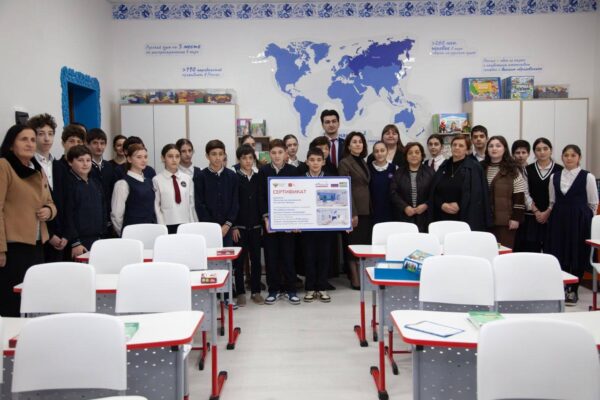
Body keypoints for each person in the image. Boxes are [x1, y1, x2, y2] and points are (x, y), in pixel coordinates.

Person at [0, 125, 56, 316]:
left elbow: (50, 202)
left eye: (32, 139)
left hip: (37, 243)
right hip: (12, 246)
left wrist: (49, 211)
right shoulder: (4, 166)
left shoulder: (37, 169)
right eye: (24, 139)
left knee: (33, 298)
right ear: (11, 144)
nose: (30, 143)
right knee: (12, 301)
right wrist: (0, 249)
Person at [545, 144, 597, 305]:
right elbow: (552, 200)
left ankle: (574, 290)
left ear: (579, 157)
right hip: (559, 218)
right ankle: (562, 287)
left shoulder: (587, 177)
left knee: (577, 251)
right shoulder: (554, 176)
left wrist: (585, 220)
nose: (569, 158)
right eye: (566, 155)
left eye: (573, 155)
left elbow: (593, 203)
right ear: (562, 157)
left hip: (579, 219)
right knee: (560, 251)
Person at [258, 139, 298, 304]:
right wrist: (266, 217)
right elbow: (261, 196)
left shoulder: (293, 171)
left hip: (289, 222)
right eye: (273, 153)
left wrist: (297, 220)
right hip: (270, 222)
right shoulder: (263, 171)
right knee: (271, 256)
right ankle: (273, 289)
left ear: (286, 153)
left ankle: (291, 290)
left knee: (288, 256)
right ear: (269, 154)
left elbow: (298, 196)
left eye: (280, 152)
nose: (277, 156)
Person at [430, 134, 491, 231]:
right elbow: (434, 191)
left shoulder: (474, 167)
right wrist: (441, 204)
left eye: (461, 145)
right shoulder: (444, 166)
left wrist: (460, 205)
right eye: (454, 145)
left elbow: (477, 195)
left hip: (465, 218)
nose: (457, 147)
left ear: (467, 150)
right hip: (442, 217)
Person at [28, 114, 68, 261]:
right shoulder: (28, 166)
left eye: (50, 134)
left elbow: (67, 203)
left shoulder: (60, 167)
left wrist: (66, 234)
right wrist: (50, 235)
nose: (47, 138)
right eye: (41, 134)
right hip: (38, 236)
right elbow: (31, 205)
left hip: (62, 236)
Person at [516, 138, 563, 253]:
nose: (542, 152)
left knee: (551, 251)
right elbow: (525, 192)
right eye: (538, 149)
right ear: (534, 152)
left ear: (551, 150)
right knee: (531, 251)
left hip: (552, 216)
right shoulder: (528, 169)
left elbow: (560, 194)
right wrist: (536, 211)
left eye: (545, 149)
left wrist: (548, 211)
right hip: (532, 216)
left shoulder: (560, 170)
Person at [232, 145, 264, 306]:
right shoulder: (234, 178)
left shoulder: (258, 178)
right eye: (244, 158)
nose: (248, 161)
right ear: (239, 160)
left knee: (256, 261)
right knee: (239, 262)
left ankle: (256, 291)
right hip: (240, 227)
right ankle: (240, 292)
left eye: (250, 158)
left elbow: (262, 201)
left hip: (256, 226)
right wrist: (234, 226)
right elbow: (232, 203)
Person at [338, 131, 371, 289]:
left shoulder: (363, 161)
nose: (358, 144)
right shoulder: (345, 163)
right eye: (354, 142)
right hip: (354, 210)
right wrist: (352, 212)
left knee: (362, 244)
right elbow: (345, 189)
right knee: (353, 244)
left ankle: (362, 277)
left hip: (367, 208)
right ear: (348, 146)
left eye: (360, 142)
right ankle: (355, 279)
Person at [481, 136, 526, 248]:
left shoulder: (513, 169)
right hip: (484, 219)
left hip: (505, 221)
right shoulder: (480, 167)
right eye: (491, 146)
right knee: (486, 251)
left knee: (503, 252)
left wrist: (516, 218)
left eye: (498, 146)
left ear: (504, 149)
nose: (494, 148)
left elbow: (520, 196)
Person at [63, 145, 107, 259]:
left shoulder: (95, 183)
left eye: (88, 160)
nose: (85, 164)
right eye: (80, 160)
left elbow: (103, 209)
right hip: (78, 242)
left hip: (97, 239)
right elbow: (67, 215)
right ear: (70, 162)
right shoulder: (68, 184)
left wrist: (103, 233)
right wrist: (75, 242)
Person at [301, 148, 333, 303]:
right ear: (307, 162)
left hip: (325, 225)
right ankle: (310, 288)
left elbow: (338, 202)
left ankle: (322, 287)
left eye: (318, 160)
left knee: (324, 256)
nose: (315, 163)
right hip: (307, 226)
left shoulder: (330, 179)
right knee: (309, 256)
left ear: (323, 162)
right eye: (312, 160)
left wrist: (344, 220)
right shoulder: (300, 180)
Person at [195, 140, 239, 246]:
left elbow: (235, 202)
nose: (218, 157)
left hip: (227, 228)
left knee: (227, 255)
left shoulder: (232, 176)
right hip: (208, 228)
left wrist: (227, 225)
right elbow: (199, 203)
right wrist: (212, 226)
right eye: (214, 154)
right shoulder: (200, 176)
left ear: (224, 155)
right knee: (209, 254)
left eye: (221, 154)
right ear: (207, 156)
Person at [111, 143, 156, 236]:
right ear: (129, 159)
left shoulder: (149, 181)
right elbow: (116, 215)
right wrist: (124, 233)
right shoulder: (123, 184)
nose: (143, 160)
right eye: (139, 157)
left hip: (150, 230)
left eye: (145, 157)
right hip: (132, 232)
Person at [390, 142, 434, 232]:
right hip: (404, 217)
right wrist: (405, 207)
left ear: (422, 155)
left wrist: (426, 205)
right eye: (410, 153)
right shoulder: (399, 172)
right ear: (406, 156)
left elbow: (435, 192)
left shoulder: (430, 172)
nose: (414, 155)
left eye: (417, 152)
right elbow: (393, 192)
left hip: (425, 217)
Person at [153, 144, 197, 234]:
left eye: (177, 156)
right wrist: (162, 227)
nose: (174, 160)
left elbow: (191, 204)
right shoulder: (157, 180)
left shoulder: (187, 178)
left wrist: (193, 224)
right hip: (167, 224)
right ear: (163, 158)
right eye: (170, 156)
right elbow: (156, 206)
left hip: (185, 223)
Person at [86, 128, 116, 215]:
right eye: (95, 143)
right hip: (91, 213)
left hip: (108, 213)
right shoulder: (84, 167)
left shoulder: (109, 166)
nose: (99, 147)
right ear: (87, 144)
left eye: (102, 143)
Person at [368, 141, 396, 225]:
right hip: (372, 211)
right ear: (373, 153)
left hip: (390, 210)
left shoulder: (393, 168)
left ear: (387, 152)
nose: (379, 153)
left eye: (382, 150)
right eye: (376, 151)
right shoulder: (368, 168)